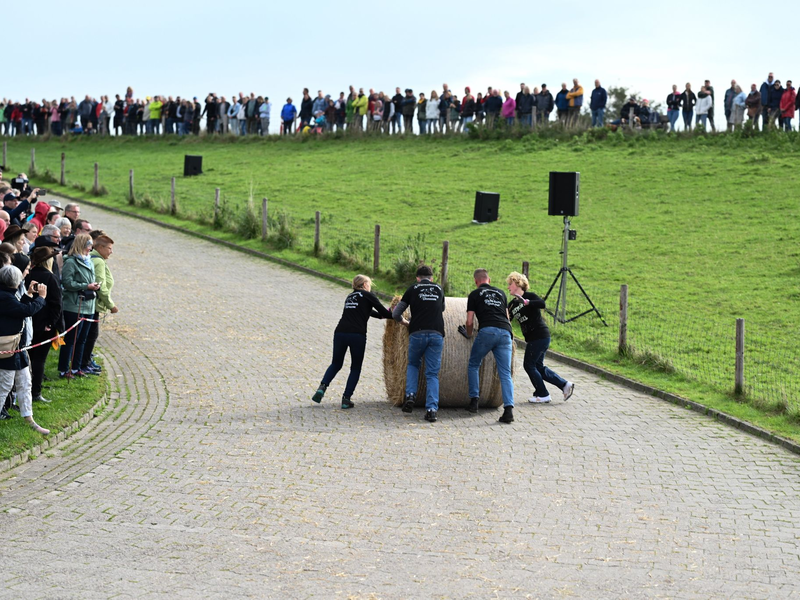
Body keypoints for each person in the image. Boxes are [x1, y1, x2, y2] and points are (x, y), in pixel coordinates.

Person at [311, 275, 395, 409]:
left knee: (336, 363)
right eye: (369, 283)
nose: (370, 286)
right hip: (357, 335)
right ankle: (346, 399)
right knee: (355, 367)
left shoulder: (350, 297)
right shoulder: (368, 295)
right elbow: (384, 312)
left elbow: (371, 313)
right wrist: (396, 311)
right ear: (364, 285)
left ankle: (322, 387)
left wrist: (382, 315)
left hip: (340, 332)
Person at [506, 271, 574, 404]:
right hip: (534, 338)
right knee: (538, 367)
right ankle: (565, 385)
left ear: (517, 284)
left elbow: (542, 304)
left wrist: (527, 302)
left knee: (529, 365)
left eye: (510, 284)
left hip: (540, 336)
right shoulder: (512, 304)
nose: (508, 287)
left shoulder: (529, 296)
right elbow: (507, 318)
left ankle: (543, 394)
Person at [459, 268, 515, 424]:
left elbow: (469, 321)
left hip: (487, 331)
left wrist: (469, 334)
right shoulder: (501, 293)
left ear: (476, 282)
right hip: (505, 332)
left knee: (474, 364)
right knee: (505, 373)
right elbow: (507, 317)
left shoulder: (475, 294)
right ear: (489, 280)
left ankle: (474, 401)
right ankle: (509, 410)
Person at [0, 264, 50, 434]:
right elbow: (26, 311)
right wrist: (41, 298)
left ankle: (29, 418)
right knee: (4, 386)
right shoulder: (4, 297)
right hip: (7, 350)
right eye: (23, 272)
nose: (26, 273)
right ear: (14, 280)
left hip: (17, 349)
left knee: (25, 383)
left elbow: (18, 309)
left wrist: (29, 294)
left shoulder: (7, 295)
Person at [392, 265, 445, 423]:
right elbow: (442, 308)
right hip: (436, 333)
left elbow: (395, 313)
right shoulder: (439, 289)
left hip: (417, 333)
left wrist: (406, 323)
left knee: (413, 364)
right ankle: (432, 409)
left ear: (417, 278)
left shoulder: (412, 289)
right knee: (432, 373)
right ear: (432, 278)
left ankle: (410, 396)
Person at [58, 233, 100, 378]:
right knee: (71, 339)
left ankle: (76, 367)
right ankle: (64, 369)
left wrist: (94, 286)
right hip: (75, 305)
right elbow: (67, 283)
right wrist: (86, 286)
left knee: (82, 338)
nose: (90, 248)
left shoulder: (89, 261)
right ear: (82, 245)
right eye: (89, 245)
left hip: (88, 305)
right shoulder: (71, 262)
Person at [24, 247, 63, 403]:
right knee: (39, 360)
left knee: (29, 359)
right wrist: (51, 323)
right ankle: (35, 392)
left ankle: (27, 390)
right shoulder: (50, 278)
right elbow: (56, 304)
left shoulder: (29, 275)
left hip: (29, 322)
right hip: (44, 324)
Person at [80, 235, 116, 375]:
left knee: (88, 334)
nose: (111, 252)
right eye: (109, 248)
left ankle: (86, 361)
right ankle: (84, 362)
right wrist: (111, 305)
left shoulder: (95, 259)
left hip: (91, 304)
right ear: (100, 247)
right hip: (93, 305)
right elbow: (101, 285)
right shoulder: (99, 262)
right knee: (90, 335)